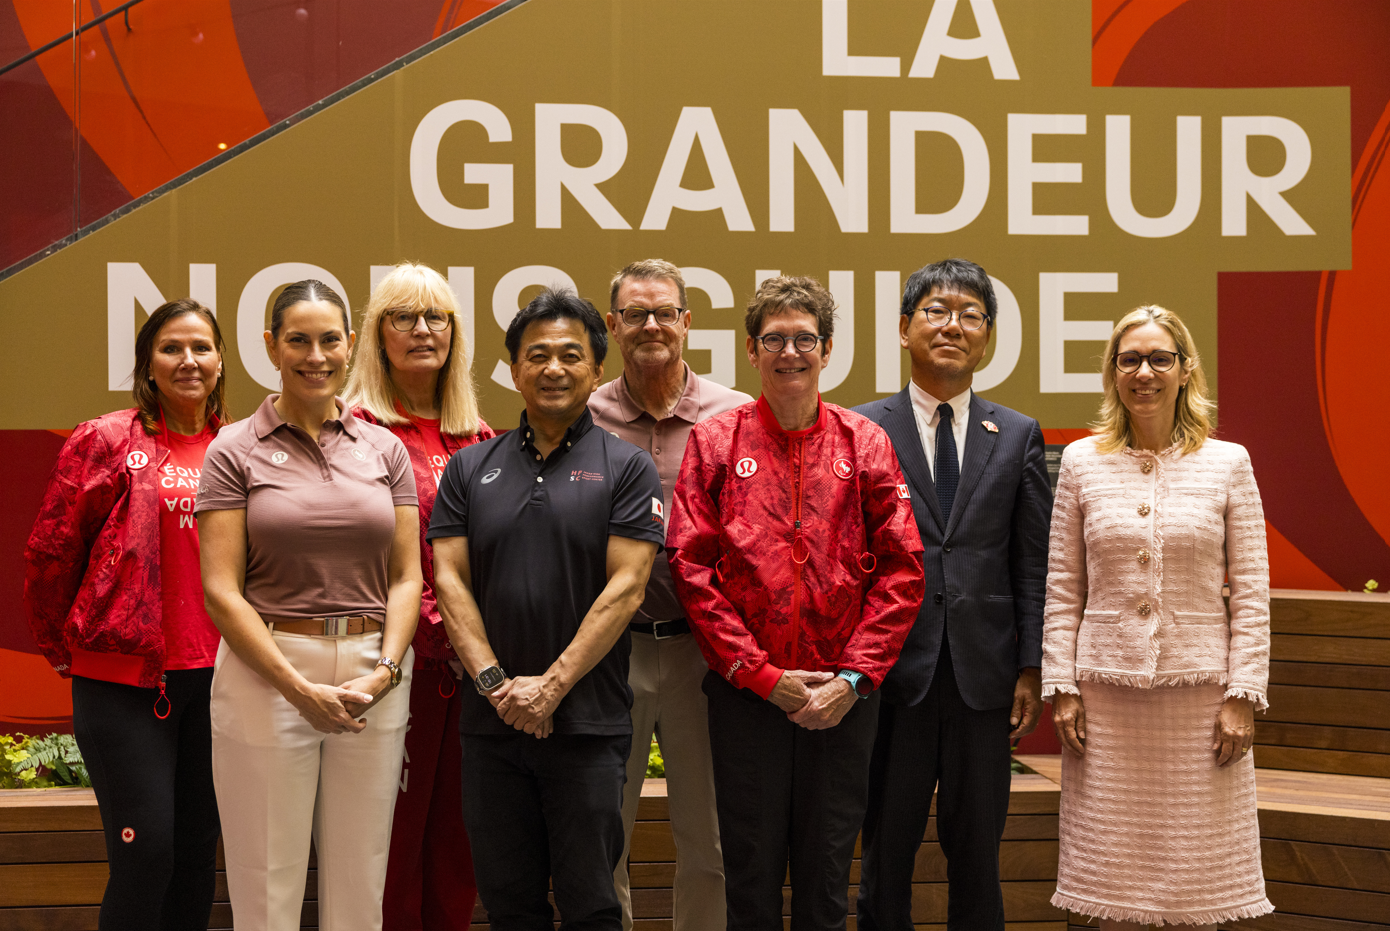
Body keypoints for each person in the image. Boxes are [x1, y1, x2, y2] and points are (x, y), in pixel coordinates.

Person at [668, 275, 924, 931]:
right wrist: (762, 676)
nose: (790, 352)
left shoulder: (864, 442)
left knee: (826, 885)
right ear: (751, 350)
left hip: (841, 701)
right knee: (748, 882)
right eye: (774, 339)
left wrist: (852, 678)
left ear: (827, 349)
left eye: (804, 338)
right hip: (748, 698)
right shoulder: (715, 442)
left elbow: (902, 568)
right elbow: (691, 566)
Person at [429, 287, 666, 931]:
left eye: (570, 355)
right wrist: (496, 685)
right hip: (491, 728)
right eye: (537, 355)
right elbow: (449, 579)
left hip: (587, 728)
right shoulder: (469, 468)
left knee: (591, 903)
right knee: (509, 905)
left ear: (596, 369)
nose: (553, 368)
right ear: (512, 370)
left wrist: (552, 687)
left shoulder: (627, 467)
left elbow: (627, 588)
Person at [197, 279, 422, 931]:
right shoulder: (233, 449)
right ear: (270, 345)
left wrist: (385, 669)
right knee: (266, 881)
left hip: (371, 671)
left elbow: (406, 577)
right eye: (298, 339)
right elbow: (221, 589)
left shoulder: (385, 448)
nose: (315, 354)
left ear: (351, 346)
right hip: (267, 668)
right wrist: (296, 686)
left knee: (360, 875)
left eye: (330, 340)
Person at [1042, 305, 1272, 927]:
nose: (1145, 371)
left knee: (1202, 889)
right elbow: (1063, 586)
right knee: (1109, 888)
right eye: (1130, 359)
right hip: (1105, 703)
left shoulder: (1229, 462)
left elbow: (1251, 591)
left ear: (1185, 370)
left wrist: (1242, 695)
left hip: (1202, 704)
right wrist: (1061, 689)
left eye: (1160, 358)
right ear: (1113, 374)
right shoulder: (1082, 462)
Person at [852, 258, 1052, 930]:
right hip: (891, 678)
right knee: (885, 857)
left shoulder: (1018, 433)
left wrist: (1031, 665)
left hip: (984, 680)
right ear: (905, 327)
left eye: (970, 314)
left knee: (977, 858)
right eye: (936, 310)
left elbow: (1031, 560)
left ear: (988, 336)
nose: (953, 325)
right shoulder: (862, 429)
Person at [24, 298, 228, 931]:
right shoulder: (106, 439)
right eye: (171, 348)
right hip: (123, 681)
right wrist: (71, 645)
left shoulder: (241, 445)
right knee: (148, 857)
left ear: (222, 361)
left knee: (197, 858)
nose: (188, 360)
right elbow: (53, 552)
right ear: (147, 363)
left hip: (221, 680)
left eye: (201, 347)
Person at [589, 259, 750, 931]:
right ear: (612, 325)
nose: (650, 324)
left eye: (664, 312)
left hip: (703, 656)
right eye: (635, 313)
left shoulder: (736, 415)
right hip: (609, 653)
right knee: (604, 840)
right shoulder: (584, 414)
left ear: (687, 322)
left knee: (709, 844)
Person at [345, 262, 494, 931]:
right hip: (387, 665)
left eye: (437, 317)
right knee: (391, 843)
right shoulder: (350, 430)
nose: (423, 331)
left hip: (468, 675)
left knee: (457, 840)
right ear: (377, 334)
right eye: (404, 317)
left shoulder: (479, 435)